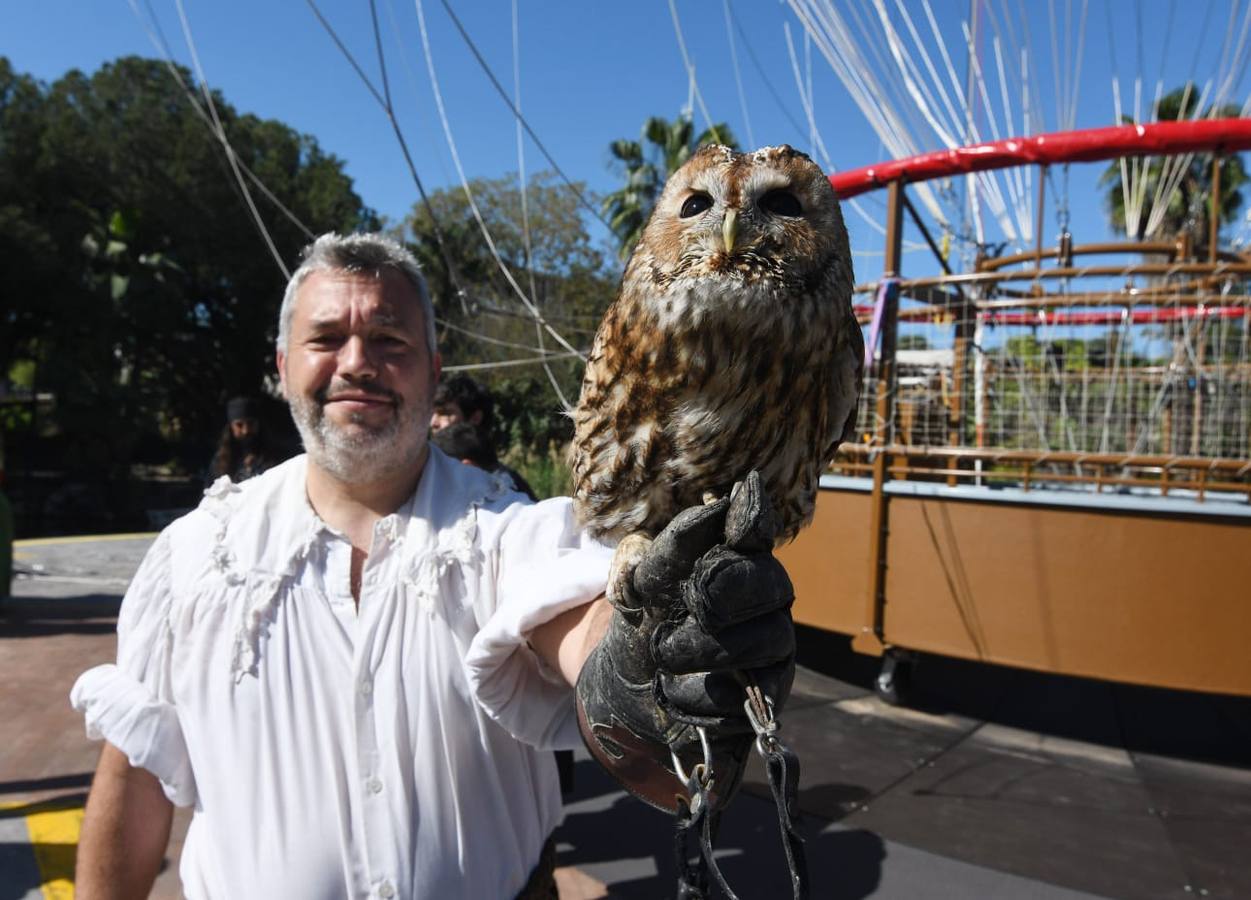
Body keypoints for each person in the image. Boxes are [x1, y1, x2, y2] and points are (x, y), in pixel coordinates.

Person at [70, 232, 795, 899]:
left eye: (389, 339)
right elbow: (135, 775)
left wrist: (647, 657)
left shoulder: (503, 529)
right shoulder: (195, 553)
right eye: (327, 338)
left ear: (432, 371)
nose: (357, 362)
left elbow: (587, 625)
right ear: (283, 367)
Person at [205, 395, 278, 485]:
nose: (245, 431)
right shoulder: (221, 462)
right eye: (239, 425)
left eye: (250, 423)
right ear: (231, 427)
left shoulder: (276, 456)